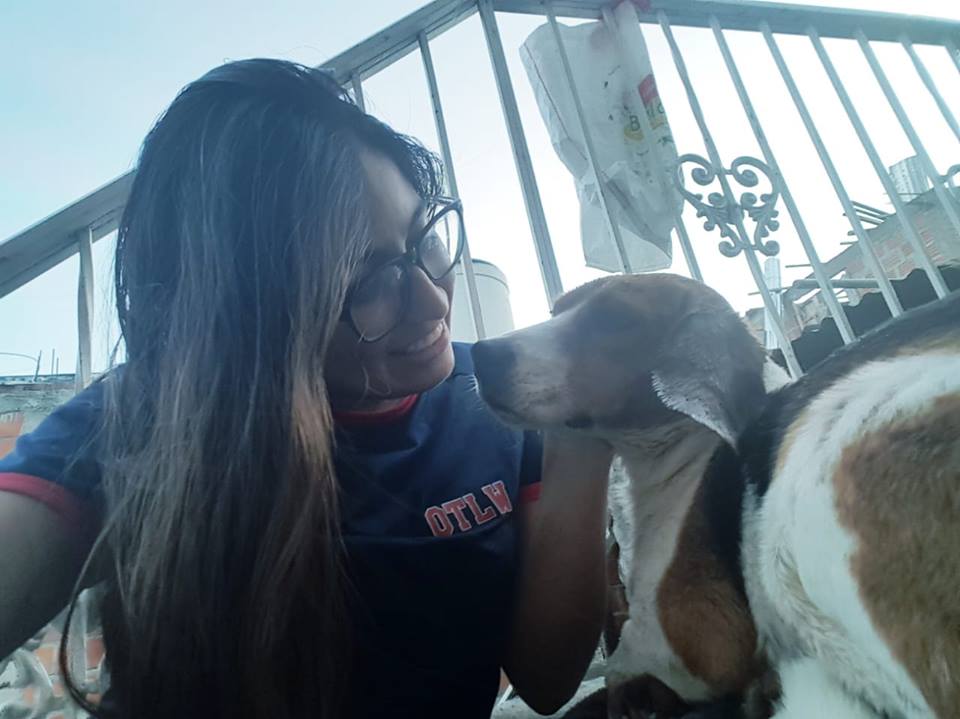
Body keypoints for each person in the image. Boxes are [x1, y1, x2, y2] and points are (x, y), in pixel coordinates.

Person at [0, 59, 613, 719]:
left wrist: (585, 431)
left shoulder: (494, 396)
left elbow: (546, 680)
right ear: (247, 315)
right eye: (366, 282)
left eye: (427, 239)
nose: (435, 301)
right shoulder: (152, 417)